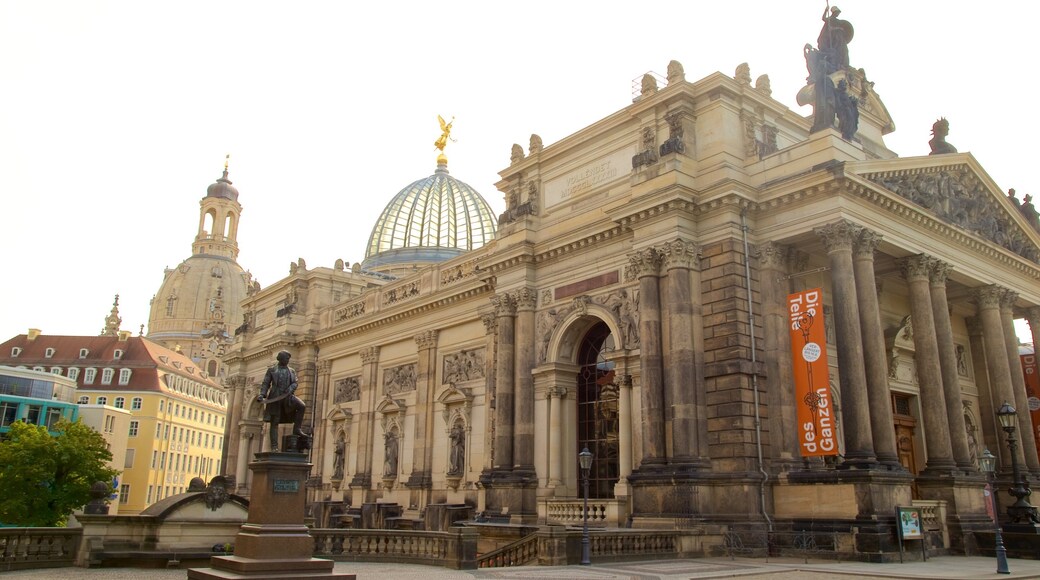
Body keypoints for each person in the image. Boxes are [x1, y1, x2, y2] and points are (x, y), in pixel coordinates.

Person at [257, 350, 306, 451]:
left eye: (288, 359)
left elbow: (295, 382)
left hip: (288, 396)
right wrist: (262, 394)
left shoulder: (292, 371)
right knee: (274, 422)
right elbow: (266, 383)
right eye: (286, 358)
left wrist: (291, 388)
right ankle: (274, 446)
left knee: (302, 406)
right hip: (276, 397)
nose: (288, 360)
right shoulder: (272, 370)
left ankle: (297, 429)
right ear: (280, 359)